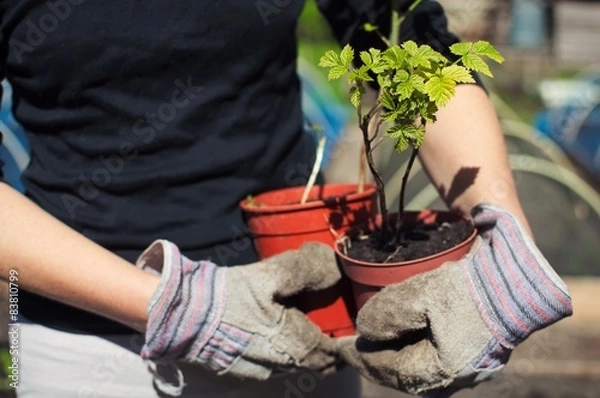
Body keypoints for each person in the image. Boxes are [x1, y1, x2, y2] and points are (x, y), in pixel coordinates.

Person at [0, 0, 572, 397]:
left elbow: (419, 51)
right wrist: (176, 307)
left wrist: (504, 238)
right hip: (89, 354)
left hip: (300, 328)